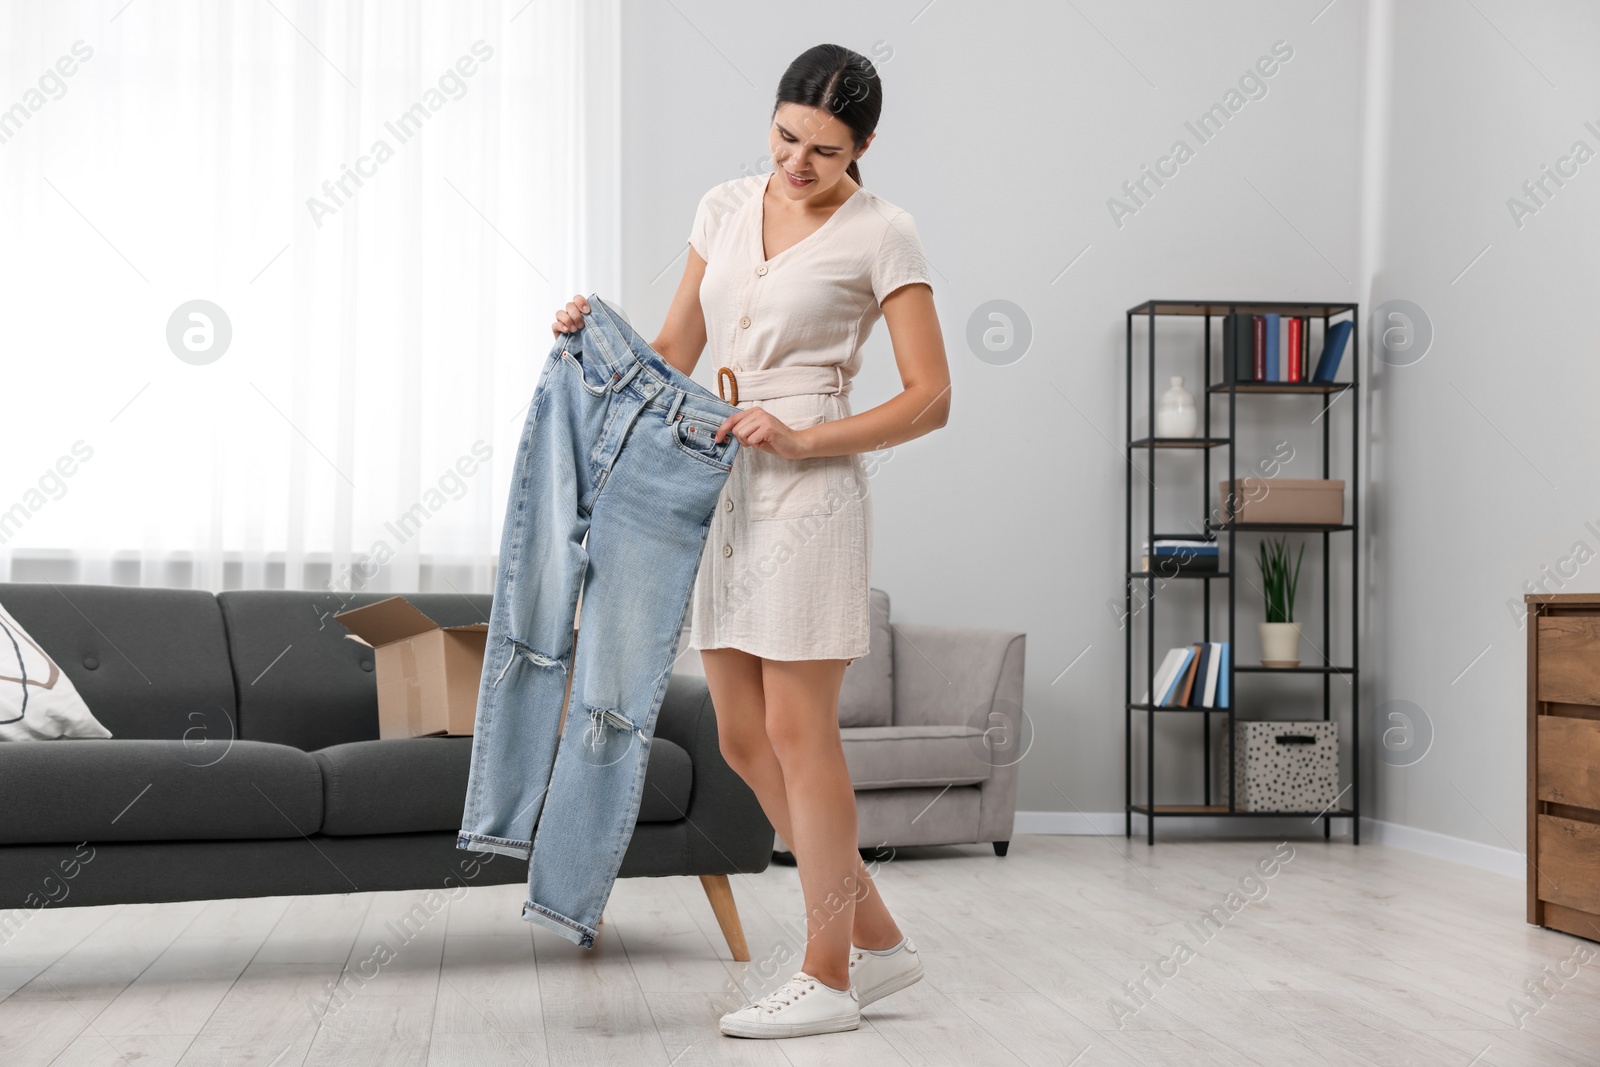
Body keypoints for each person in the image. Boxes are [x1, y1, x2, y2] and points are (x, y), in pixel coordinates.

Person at [552, 42, 950, 1041]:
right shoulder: (724, 207)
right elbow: (677, 348)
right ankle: (885, 943)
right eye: (784, 136)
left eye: (822, 148)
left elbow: (931, 396)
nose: (796, 163)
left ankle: (827, 972)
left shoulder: (882, 232)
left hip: (807, 487)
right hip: (715, 474)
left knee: (798, 731)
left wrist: (808, 435)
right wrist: (591, 333)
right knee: (737, 734)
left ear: (862, 147)